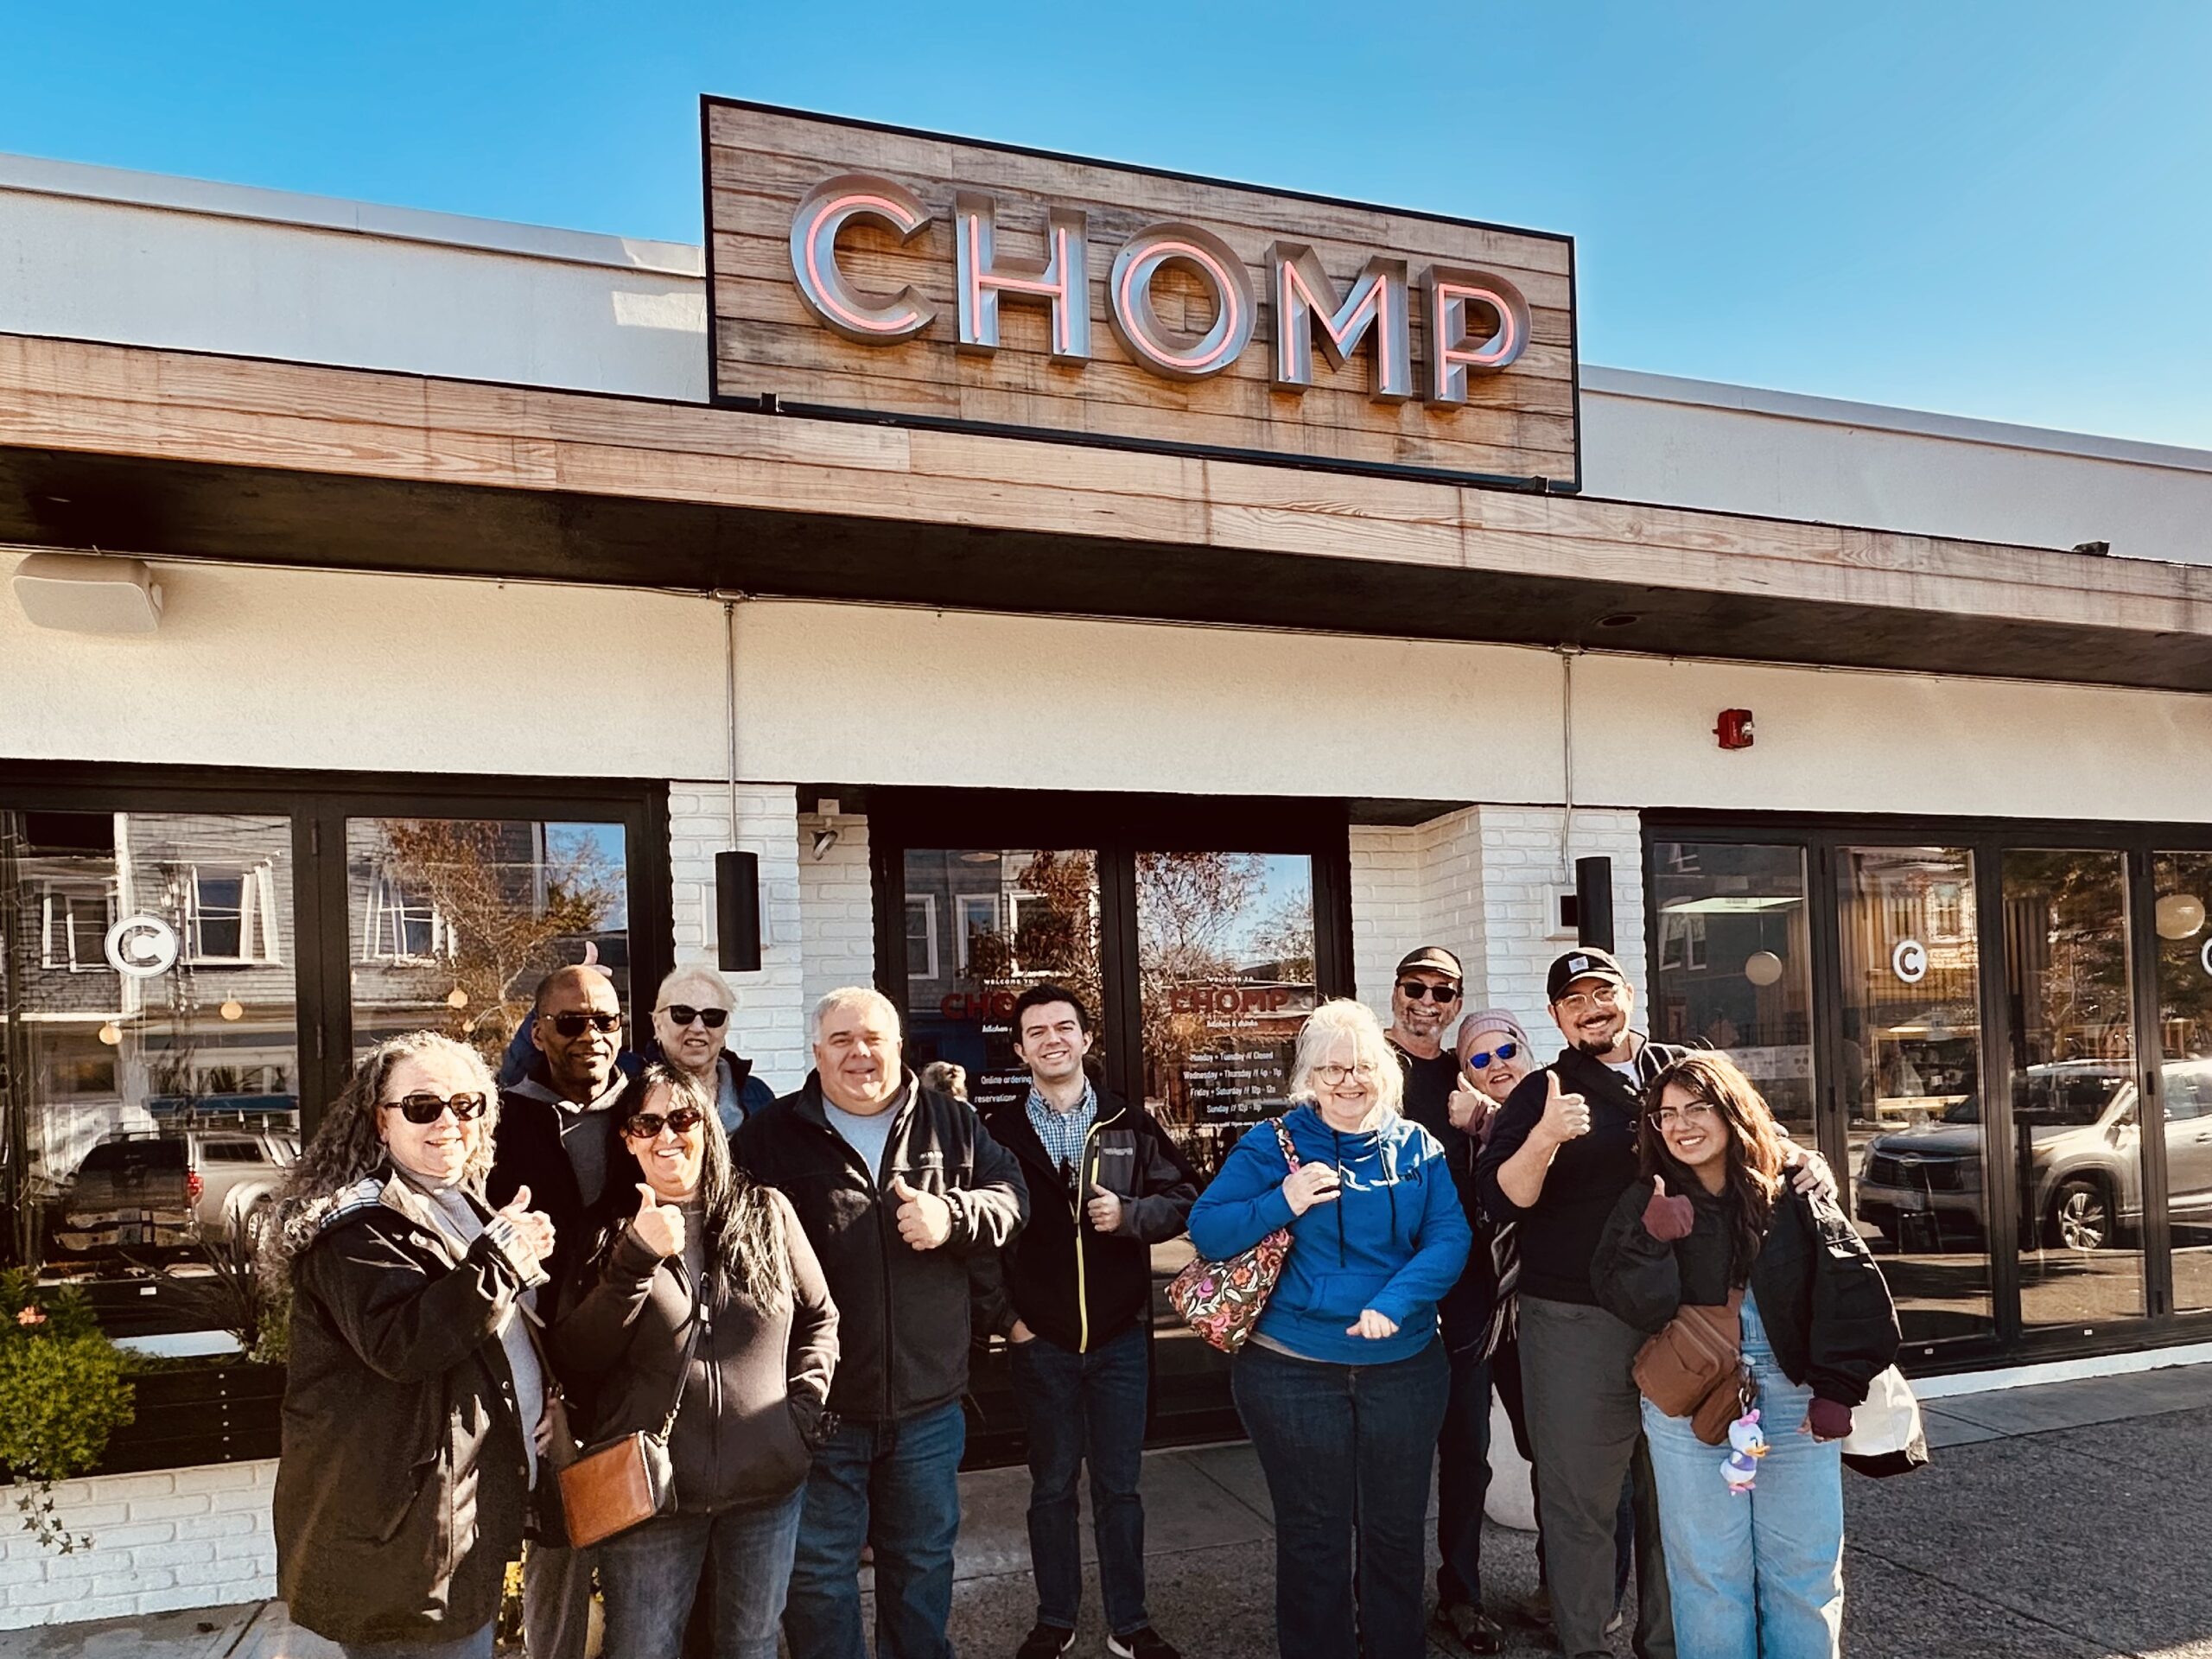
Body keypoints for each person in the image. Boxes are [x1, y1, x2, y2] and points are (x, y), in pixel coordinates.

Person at [1476, 947, 1833, 1659]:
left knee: (1679, 1495)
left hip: (1687, 1317)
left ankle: (1669, 1644)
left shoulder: (1683, 1069)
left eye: (1601, 993)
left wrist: (1806, 1159)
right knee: (1580, 1496)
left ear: (1629, 995)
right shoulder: (1542, 1091)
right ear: (1555, 1017)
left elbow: (1756, 1137)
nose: (1591, 1009)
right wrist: (1546, 1135)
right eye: (1574, 1001)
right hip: (1577, 1323)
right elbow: (1501, 1199)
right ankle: (1585, 1643)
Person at [741, 987, 1029, 1659]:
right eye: (842, 1040)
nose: (859, 1053)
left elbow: (1012, 1197)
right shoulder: (769, 1136)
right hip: (819, 1407)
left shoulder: (952, 1123)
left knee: (921, 1566)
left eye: (873, 1038)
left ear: (899, 1047)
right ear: (817, 1052)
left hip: (929, 1404)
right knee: (818, 1579)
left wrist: (953, 1216)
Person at [1187, 998, 1471, 1659]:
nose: (1349, 1081)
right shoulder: (1271, 1144)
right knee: (1314, 1537)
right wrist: (1281, 1200)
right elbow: (1207, 1229)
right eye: (1332, 1069)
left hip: (1404, 1370)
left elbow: (1449, 1237)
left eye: (1362, 1066)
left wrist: (1396, 1301)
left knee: (1395, 1532)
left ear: (1385, 1072)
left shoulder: (1418, 1147)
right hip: (1291, 1373)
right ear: (1309, 1078)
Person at [1592, 1052, 1900, 1659]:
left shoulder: (1794, 1188)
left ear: (1732, 1111)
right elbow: (1633, 1305)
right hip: (1694, 1398)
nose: (1681, 1125)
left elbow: (1851, 1289)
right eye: (1666, 1114)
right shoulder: (1648, 1195)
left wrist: (1838, 1389)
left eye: (1697, 1108)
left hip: (1795, 1393)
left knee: (1803, 1573)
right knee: (1708, 1575)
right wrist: (1651, 1239)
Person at [270, 1033, 555, 1658]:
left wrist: (546, 1398)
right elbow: (406, 1343)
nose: (448, 1121)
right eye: (423, 1107)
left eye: (467, 1104)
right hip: (403, 1545)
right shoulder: (355, 1229)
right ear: (382, 1121)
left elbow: (494, 1337)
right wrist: (505, 1257)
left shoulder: (460, 1204)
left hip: (454, 1526)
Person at [551, 1064, 838, 1659]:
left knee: (751, 1644)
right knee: (643, 1648)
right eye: (647, 1124)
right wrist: (635, 1259)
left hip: (766, 1486)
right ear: (627, 1139)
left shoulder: (766, 1211)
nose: (667, 1136)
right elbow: (576, 1358)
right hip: (651, 1495)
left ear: (707, 1127)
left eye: (682, 1119)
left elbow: (819, 1318)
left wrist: (801, 1415)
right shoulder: (606, 1232)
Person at [977, 984, 1199, 1659]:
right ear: (1020, 1050)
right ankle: (1055, 1619)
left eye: (1064, 1027)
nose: (1052, 1039)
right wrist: (1009, 1321)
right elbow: (979, 1238)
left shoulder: (1129, 1121)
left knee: (1119, 1489)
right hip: (1039, 1342)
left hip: (1119, 1338)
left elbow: (1187, 1195)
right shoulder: (997, 1132)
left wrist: (1132, 1217)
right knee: (1051, 1488)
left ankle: (1130, 1624)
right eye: (1036, 1031)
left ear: (1085, 1039)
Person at [1454, 1009, 1634, 1640]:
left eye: (1506, 1050)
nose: (1496, 1065)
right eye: (1479, 1059)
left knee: (1581, 1461)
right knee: (1519, 1452)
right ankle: (1541, 1588)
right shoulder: (1469, 1127)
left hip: (1554, 1309)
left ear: (1528, 1051)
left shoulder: (1556, 1107)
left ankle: (1585, 1596)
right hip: (1492, 1311)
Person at [487, 964, 639, 1659]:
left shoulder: (652, 1110)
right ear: (539, 1033)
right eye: (572, 1022)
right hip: (552, 1376)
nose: (591, 1036)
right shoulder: (498, 1123)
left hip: (643, 1367)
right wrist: (536, 1383)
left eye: (605, 1020)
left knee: (652, 1560)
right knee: (560, 1553)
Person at [1381, 949, 1503, 1656]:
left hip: (1466, 1288)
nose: (1427, 1001)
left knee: (1466, 1446)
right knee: (1388, 1452)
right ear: (1396, 991)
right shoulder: (1365, 1064)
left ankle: (1462, 1594)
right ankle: (1381, 1600)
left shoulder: (1467, 1072)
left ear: (1457, 1003)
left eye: (1443, 992)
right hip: (1385, 1285)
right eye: (1415, 987)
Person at [647, 964, 777, 1136]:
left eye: (712, 1016)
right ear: (658, 1025)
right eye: (683, 1013)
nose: (698, 1028)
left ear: (725, 1027)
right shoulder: (634, 1087)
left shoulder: (759, 1095)